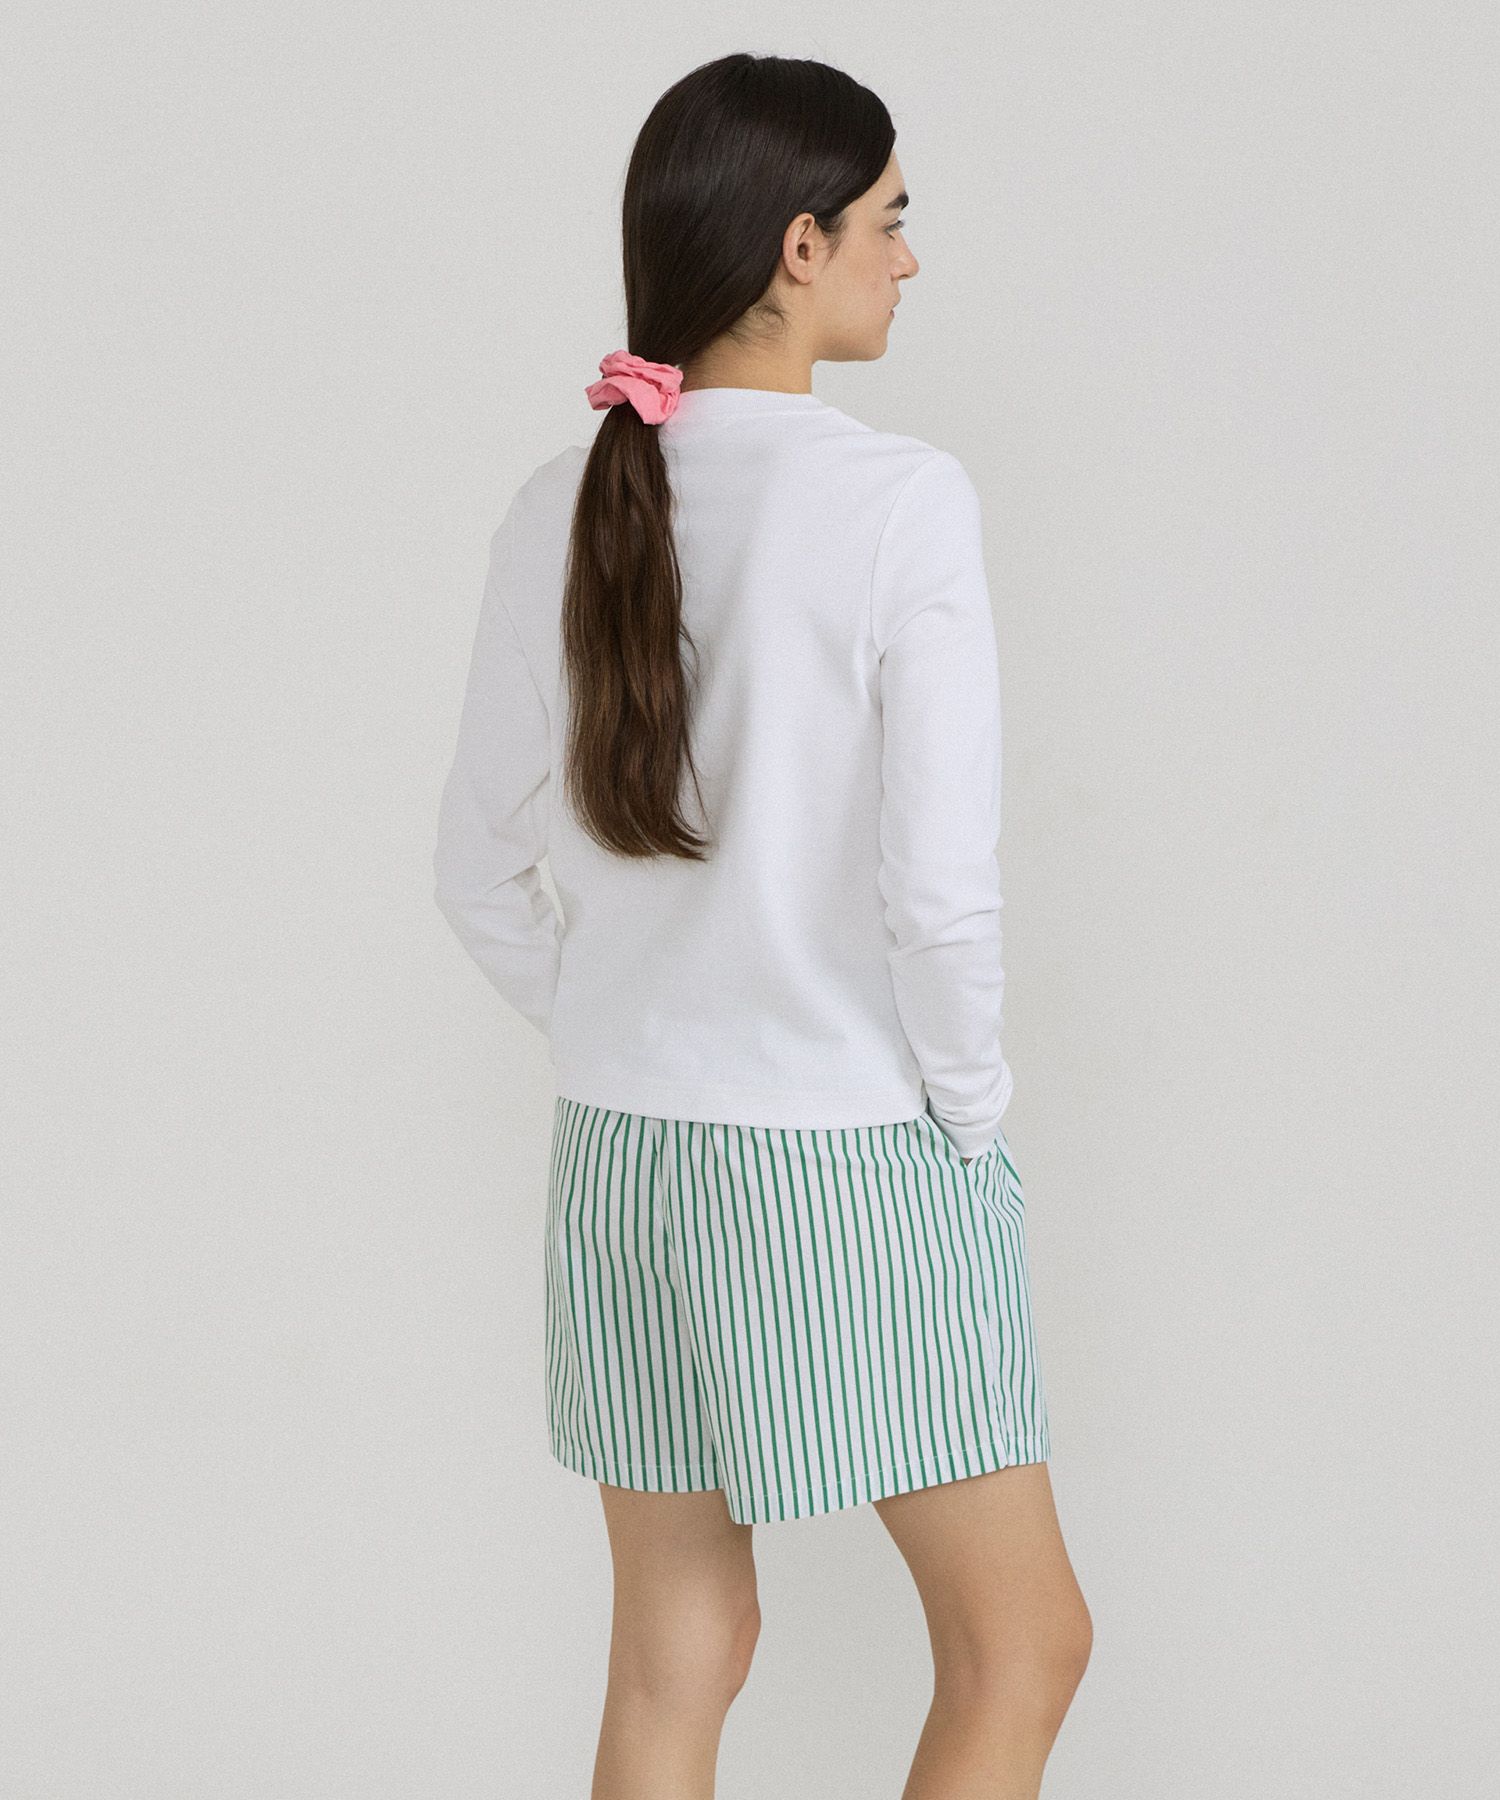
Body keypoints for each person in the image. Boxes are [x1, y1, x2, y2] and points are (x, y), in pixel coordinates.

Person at [433, 49, 1091, 1800]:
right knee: (1023, 1645)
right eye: (889, 220)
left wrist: (624, 1020)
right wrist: (970, 1113)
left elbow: (475, 867)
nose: (909, 257)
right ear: (800, 246)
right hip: (845, 1143)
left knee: (679, 1649)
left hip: (623, 1157)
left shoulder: (563, 501)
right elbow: (940, 890)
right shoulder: (897, 500)